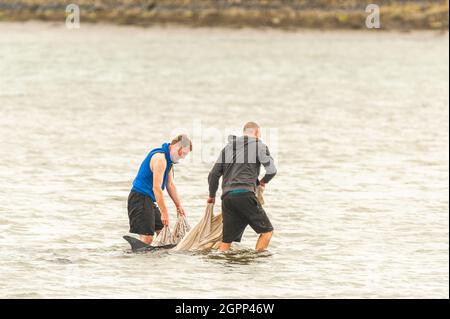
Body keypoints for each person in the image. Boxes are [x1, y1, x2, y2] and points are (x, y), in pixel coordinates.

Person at [207, 122, 277, 252]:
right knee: (267, 232)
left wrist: (211, 196)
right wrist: (262, 182)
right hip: (245, 195)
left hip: (227, 198)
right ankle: (259, 261)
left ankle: (223, 268)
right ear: (256, 133)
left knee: (226, 241)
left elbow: (213, 175)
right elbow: (272, 170)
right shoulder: (259, 145)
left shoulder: (227, 148)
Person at [128, 134, 192, 244]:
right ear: (176, 146)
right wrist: (164, 212)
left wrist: (178, 206)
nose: (183, 157)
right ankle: (135, 258)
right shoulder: (160, 159)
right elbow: (156, 188)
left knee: (163, 232)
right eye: (183, 153)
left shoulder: (168, 161)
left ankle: (157, 261)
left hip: (148, 200)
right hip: (139, 198)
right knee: (148, 237)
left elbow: (170, 185)